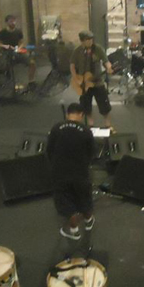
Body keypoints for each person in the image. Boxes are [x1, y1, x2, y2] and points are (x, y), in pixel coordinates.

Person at [47, 103, 96, 240]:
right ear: (81, 114)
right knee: (85, 198)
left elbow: (49, 150)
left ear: (68, 114)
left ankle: (74, 231)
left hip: (61, 174)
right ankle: (88, 221)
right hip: (80, 173)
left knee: (67, 203)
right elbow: (92, 153)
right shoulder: (86, 131)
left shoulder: (56, 128)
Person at [70, 30, 114, 128]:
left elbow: (106, 61)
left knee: (104, 104)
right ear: (82, 41)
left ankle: (108, 125)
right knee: (86, 106)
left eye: (91, 39)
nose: (90, 41)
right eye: (87, 39)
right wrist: (76, 78)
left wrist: (109, 67)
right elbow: (72, 66)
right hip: (83, 83)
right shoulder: (77, 51)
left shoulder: (98, 49)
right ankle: (90, 124)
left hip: (97, 81)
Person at [0, 14, 36, 91]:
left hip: (17, 51)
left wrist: (19, 48)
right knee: (6, 66)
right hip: (7, 53)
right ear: (7, 22)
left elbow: (21, 42)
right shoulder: (2, 32)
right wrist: (5, 46)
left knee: (32, 63)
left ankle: (31, 82)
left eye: (14, 21)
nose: (13, 23)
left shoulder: (18, 31)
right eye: (11, 21)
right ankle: (9, 80)